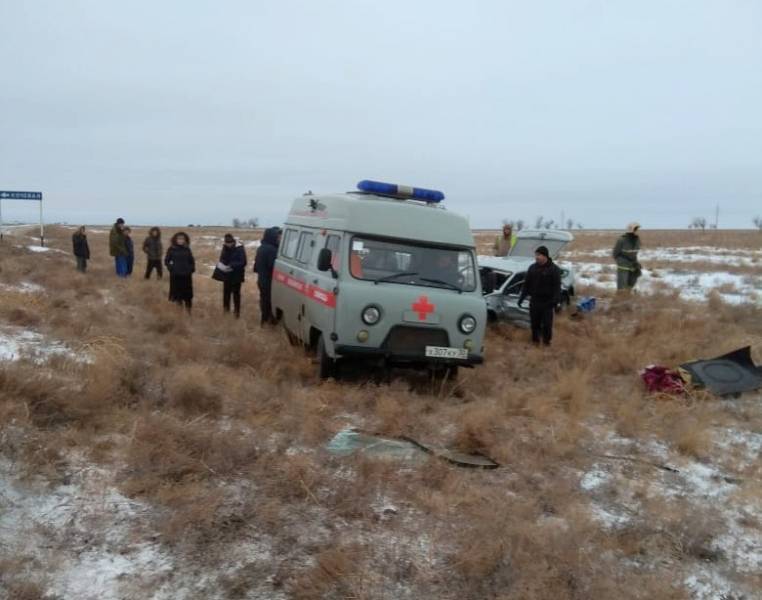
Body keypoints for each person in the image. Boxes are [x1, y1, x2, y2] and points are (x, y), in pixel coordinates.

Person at [518, 245, 562, 346]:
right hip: (535, 301)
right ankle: (535, 342)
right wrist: (521, 298)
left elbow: (557, 287)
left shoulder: (554, 269)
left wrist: (556, 302)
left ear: (545, 256)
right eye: (536, 255)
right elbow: (526, 285)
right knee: (534, 323)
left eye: (539, 255)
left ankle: (547, 342)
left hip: (548, 302)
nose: (536, 257)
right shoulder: (532, 268)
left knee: (547, 325)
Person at [253, 227, 281, 326]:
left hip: (261, 280)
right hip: (269, 281)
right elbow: (273, 267)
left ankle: (265, 321)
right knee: (269, 302)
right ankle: (268, 322)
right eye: (278, 237)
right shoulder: (272, 250)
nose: (280, 239)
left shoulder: (261, 248)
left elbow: (255, 267)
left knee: (264, 300)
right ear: (272, 237)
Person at [216, 233, 247, 318]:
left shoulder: (239, 248)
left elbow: (243, 262)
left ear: (233, 241)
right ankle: (226, 313)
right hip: (227, 274)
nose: (228, 245)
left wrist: (231, 265)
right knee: (226, 294)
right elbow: (222, 258)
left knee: (236, 295)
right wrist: (222, 264)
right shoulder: (225, 247)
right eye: (226, 243)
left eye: (230, 243)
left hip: (237, 275)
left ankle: (236, 314)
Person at [165, 232, 195, 312]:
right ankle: (180, 313)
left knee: (187, 295)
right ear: (175, 239)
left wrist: (191, 269)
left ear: (185, 240)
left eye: (182, 239)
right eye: (179, 239)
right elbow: (167, 261)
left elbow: (191, 261)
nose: (181, 240)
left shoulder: (187, 249)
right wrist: (171, 268)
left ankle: (189, 312)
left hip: (186, 276)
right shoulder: (171, 249)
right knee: (178, 295)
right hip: (176, 276)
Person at [613, 223, 642, 292]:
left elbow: (634, 253)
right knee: (622, 285)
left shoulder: (637, 240)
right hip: (623, 265)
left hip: (633, 264)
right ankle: (620, 298)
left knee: (634, 278)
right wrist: (621, 262)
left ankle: (627, 295)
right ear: (632, 230)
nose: (638, 231)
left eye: (638, 229)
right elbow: (615, 253)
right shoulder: (621, 240)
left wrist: (636, 263)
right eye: (636, 229)